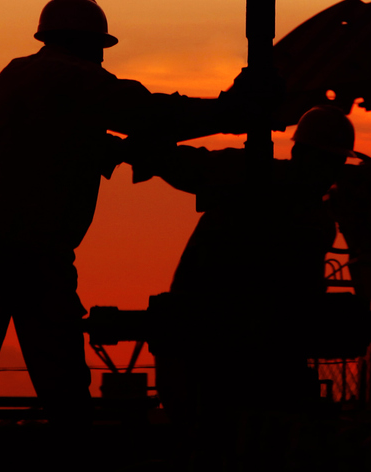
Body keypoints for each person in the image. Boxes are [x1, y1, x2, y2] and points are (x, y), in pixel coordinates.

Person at [0, 0, 267, 472]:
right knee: (60, 369)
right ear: (86, 45)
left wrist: (134, 150)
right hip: (29, 250)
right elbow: (144, 112)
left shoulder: (22, 76)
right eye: (99, 49)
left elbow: (75, 139)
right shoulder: (70, 79)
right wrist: (229, 112)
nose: (101, 59)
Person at [134, 106, 354, 415]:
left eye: (337, 163)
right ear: (301, 154)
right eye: (328, 161)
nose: (331, 172)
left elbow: (305, 293)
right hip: (203, 335)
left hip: (244, 345)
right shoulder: (254, 179)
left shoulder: (313, 219)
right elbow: (192, 166)